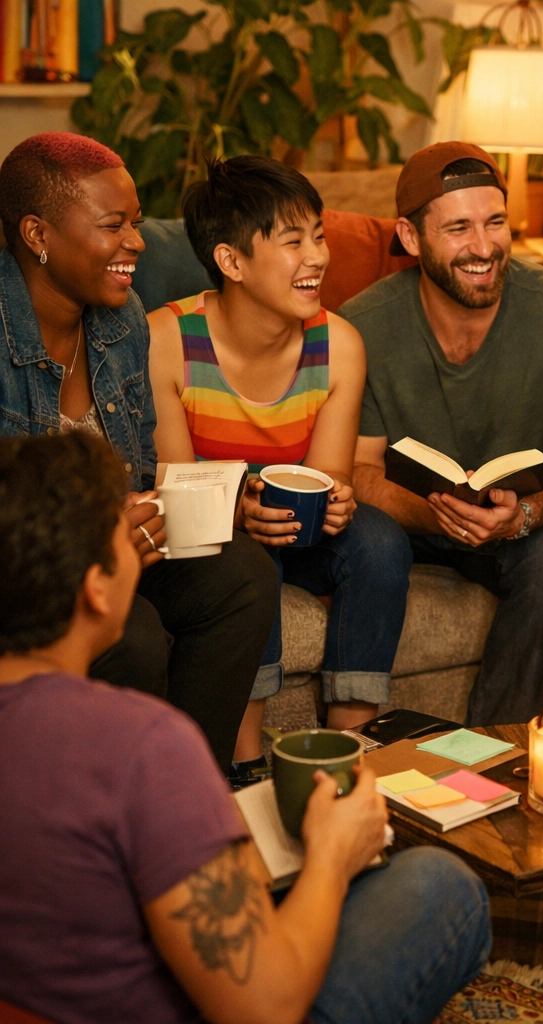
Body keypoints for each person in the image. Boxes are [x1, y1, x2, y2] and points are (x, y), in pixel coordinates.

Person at [0, 432, 491, 1024]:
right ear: (96, 590)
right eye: (127, 534)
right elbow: (265, 1007)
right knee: (440, 885)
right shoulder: (145, 745)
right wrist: (333, 857)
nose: (144, 541)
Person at [0, 133, 278, 773]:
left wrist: (210, 504)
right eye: (113, 225)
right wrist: (93, 539)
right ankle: (121, 806)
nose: (138, 242)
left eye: (136, 221)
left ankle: (191, 785)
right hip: (29, 574)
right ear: (38, 235)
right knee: (134, 636)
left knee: (243, 576)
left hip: (119, 549)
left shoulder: (122, 322)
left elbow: (142, 470)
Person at [147, 155, 412, 782]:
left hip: (297, 528)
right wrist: (239, 510)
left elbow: (327, 477)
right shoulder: (168, 340)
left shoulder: (338, 345)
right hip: (218, 534)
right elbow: (175, 487)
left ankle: (352, 747)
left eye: (317, 235)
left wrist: (339, 501)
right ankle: (244, 757)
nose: (317, 256)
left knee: (380, 539)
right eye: (293, 241)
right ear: (232, 261)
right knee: (244, 554)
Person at [343, 141, 543, 726]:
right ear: (411, 238)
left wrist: (526, 513)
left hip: (518, 523)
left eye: (495, 222)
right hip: (410, 521)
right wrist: (432, 512)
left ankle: (492, 747)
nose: (484, 247)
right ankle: (359, 736)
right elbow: (358, 470)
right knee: (369, 537)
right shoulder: (362, 324)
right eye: (459, 228)